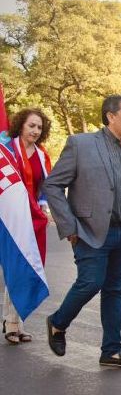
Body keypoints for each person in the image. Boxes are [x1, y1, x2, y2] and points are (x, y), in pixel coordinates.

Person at [43, 95, 121, 366]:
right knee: (91, 282)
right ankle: (57, 323)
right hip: (90, 231)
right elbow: (52, 185)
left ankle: (111, 351)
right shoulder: (81, 144)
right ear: (110, 116)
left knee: (115, 290)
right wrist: (69, 225)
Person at [3, 108, 52, 343]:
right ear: (21, 125)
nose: (35, 130)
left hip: (32, 218)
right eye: (31, 125)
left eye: (39, 127)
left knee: (27, 266)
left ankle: (16, 322)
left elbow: (46, 186)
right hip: (10, 217)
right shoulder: (7, 150)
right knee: (14, 266)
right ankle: (11, 322)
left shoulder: (42, 155)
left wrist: (43, 204)